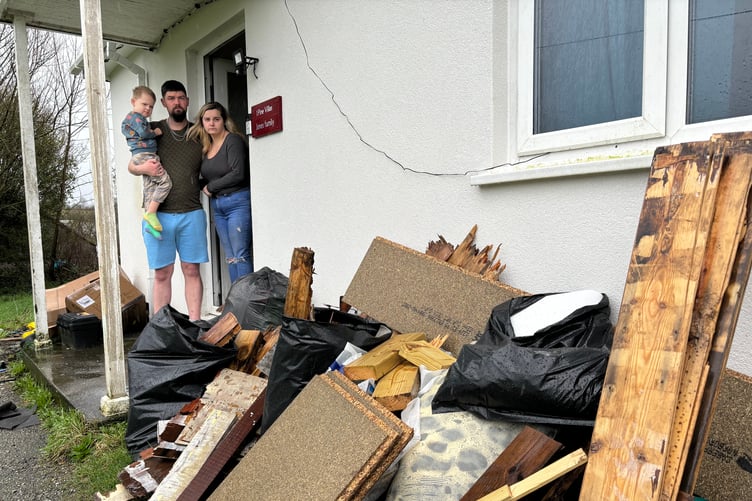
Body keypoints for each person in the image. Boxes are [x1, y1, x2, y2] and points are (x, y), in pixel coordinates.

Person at [128, 80, 208, 321]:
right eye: (171, 98)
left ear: (187, 101)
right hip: (157, 215)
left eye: (181, 98)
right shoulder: (151, 130)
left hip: (192, 213)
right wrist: (144, 169)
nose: (177, 102)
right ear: (163, 103)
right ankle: (161, 327)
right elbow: (131, 164)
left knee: (191, 270)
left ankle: (195, 323)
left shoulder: (199, 133)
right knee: (162, 273)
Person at [188, 101, 253, 283]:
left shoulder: (232, 140)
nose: (212, 123)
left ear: (223, 120)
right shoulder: (206, 147)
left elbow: (238, 173)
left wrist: (211, 187)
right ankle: (234, 301)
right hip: (218, 206)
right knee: (231, 256)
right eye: (207, 119)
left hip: (237, 201)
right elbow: (206, 178)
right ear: (202, 122)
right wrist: (203, 185)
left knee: (240, 254)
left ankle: (246, 304)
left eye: (216, 119)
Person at [121, 85, 169, 240]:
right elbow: (143, 133)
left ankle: (150, 226)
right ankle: (151, 213)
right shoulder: (136, 118)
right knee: (165, 183)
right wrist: (154, 132)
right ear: (133, 101)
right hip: (145, 155)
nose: (148, 108)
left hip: (141, 155)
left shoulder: (134, 119)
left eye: (151, 106)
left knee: (150, 190)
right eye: (144, 104)